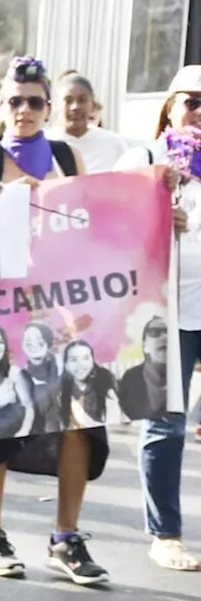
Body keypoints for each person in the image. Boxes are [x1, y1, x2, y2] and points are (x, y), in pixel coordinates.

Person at [0, 57, 108, 587]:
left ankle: (66, 536)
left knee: (79, 420)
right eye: (15, 101)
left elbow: (92, 222)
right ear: (0, 107)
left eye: (35, 102)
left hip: (64, 314)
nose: (24, 110)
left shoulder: (68, 156)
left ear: (48, 108)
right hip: (1, 316)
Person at [113, 64, 201, 572]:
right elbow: (103, 222)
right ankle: (165, 532)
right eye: (191, 101)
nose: (199, 113)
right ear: (169, 107)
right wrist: (154, 212)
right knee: (166, 424)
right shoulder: (143, 159)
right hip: (165, 309)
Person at [45, 72, 125, 173]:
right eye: (68, 100)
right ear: (56, 105)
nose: (75, 107)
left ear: (92, 104)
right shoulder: (45, 144)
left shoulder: (113, 144)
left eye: (82, 100)